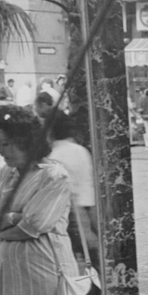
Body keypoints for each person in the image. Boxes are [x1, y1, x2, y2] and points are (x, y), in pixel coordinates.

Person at [0, 104, 84, 295]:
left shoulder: (53, 175)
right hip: (13, 273)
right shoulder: (7, 173)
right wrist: (14, 217)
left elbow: (31, 227)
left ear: (25, 141)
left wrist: (1, 226)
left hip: (45, 270)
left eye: (5, 143)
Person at [47, 109, 98, 265]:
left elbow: (68, 193)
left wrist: (85, 229)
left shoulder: (54, 156)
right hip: (91, 209)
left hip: (73, 215)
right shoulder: (81, 150)